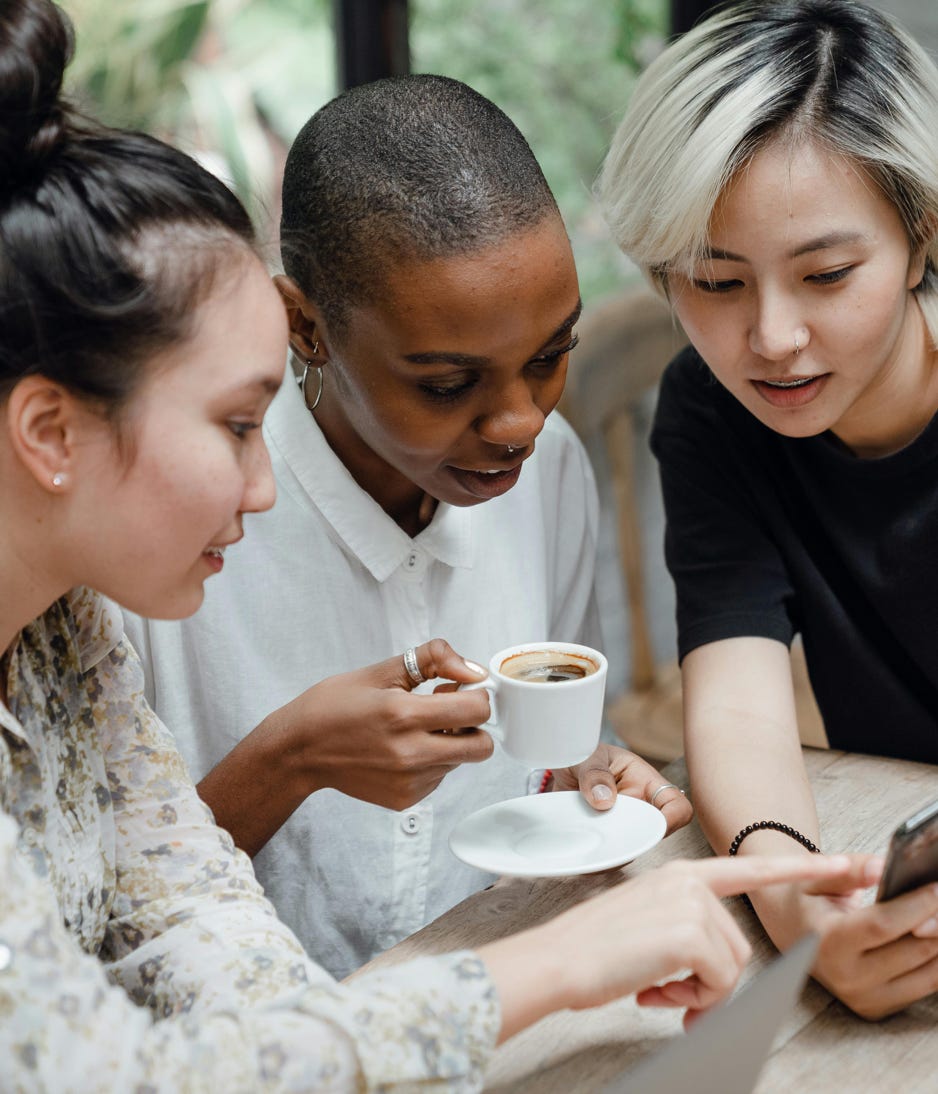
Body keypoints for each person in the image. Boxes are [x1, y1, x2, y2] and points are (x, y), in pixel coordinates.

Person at [0, 1, 873, 1085]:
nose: (263, 482)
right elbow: (110, 1056)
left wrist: (576, 792)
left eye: (548, 357)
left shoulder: (59, 642)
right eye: (236, 420)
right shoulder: (123, 575)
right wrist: (546, 964)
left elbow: (184, 928)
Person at [124, 73, 693, 979]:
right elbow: (97, 919)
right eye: (445, 385)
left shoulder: (552, 478)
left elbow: (547, 770)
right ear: (303, 325)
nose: (521, 424)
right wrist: (288, 760)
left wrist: (587, 777)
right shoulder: (173, 534)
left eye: (551, 358)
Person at [596, 0, 938, 1019]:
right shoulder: (709, 413)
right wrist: (795, 906)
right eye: (714, 280)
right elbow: (737, 700)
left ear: (919, 240)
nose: (772, 337)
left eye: (825, 274)